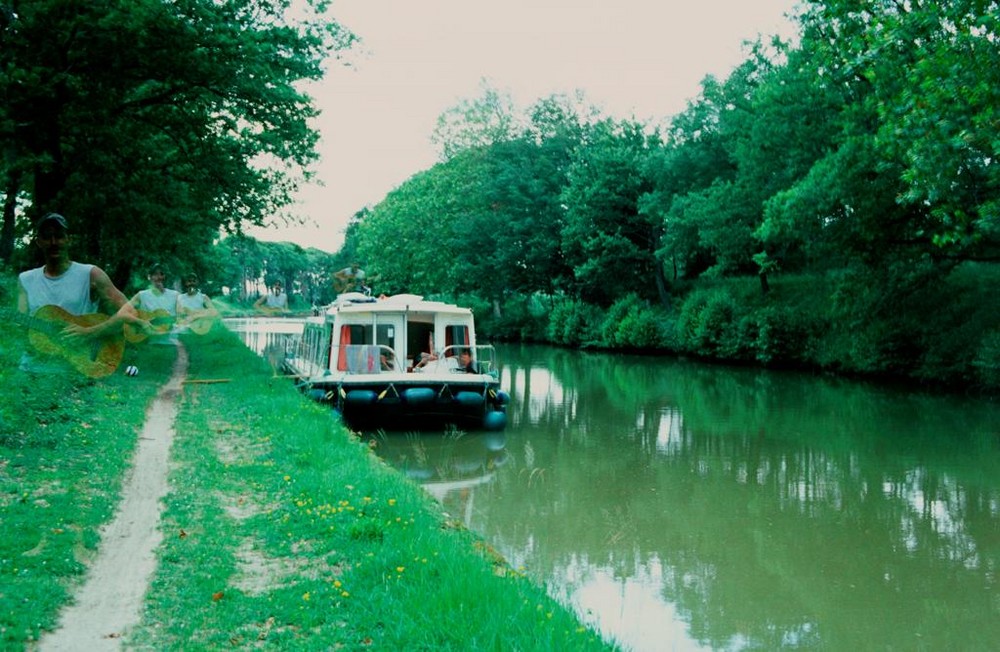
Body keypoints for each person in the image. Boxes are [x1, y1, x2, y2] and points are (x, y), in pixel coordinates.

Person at [16, 212, 145, 375]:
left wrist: (89, 333)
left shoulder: (90, 274)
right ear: (39, 242)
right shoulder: (25, 279)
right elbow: (21, 323)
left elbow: (130, 313)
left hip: (77, 371)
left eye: (59, 236)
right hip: (32, 370)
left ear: (69, 239)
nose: (54, 242)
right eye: (48, 237)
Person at [128, 262, 180, 344]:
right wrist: (139, 323)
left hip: (171, 343)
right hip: (149, 343)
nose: (158, 277)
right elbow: (126, 311)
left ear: (164, 276)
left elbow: (184, 315)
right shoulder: (142, 295)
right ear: (149, 277)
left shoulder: (175, 295)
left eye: (161, 274)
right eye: (155, 274)